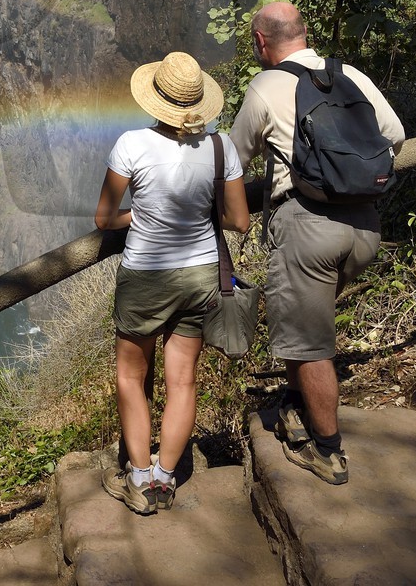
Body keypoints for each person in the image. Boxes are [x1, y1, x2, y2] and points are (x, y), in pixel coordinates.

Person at [229, 1, 405, 486]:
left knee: (308, 344)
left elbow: (233, 162)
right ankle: (298, 401)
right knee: (300, 324)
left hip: (307, 226)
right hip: (365, 229)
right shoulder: (349, 74)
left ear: (262, 42)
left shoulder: (265, 85)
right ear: (304, 34)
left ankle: (327, 452)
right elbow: (395, 135)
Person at [96, 51, 249, 515]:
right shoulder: (222, 147)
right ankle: (166, 477)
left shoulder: (131, 144)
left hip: (145, 273)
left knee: (130, 375)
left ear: (155, 99)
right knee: (183, 380)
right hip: (201, 273)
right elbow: (239, 220)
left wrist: (138, 215)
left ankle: (138, 477)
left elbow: (104, 218)